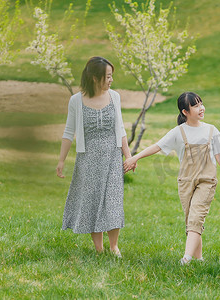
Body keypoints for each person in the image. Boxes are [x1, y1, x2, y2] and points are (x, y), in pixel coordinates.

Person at [123, 92, 220, 265]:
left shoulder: (212, 130)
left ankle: (186, 258)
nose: (201, 108)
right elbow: (157, 146)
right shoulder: (178, 132)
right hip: (185, 182)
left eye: (201, 104)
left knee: (196, 217)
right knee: (191, 219)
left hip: (207, 181)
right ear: (185, 112)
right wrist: (135, 157)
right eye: (196, 106)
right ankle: (199, 258)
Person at [56, 56, 135, 257]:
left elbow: (121, 128)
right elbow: (68, 132)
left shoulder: (114, 97)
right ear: (94, 78)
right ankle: (99, 249)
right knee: (92, 201)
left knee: (113, 200)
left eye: (111, 76)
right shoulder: (76, 100)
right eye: (107, 76)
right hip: (88, 159)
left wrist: (128, 156)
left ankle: (114, 246)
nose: (111, 80)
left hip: (111, 157)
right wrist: (61, 160)